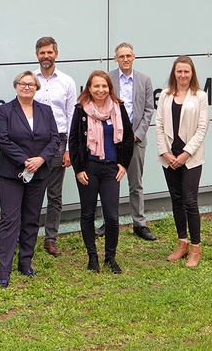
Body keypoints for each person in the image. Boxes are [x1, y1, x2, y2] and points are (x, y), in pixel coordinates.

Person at [0, 71, 60, 288]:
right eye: (23, 84)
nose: (27, 87)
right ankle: (4, 270)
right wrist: (25, 160)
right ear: (16, 86)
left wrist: (40, 159)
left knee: (31, 218)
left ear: (37, 88)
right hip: (10, 174)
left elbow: (54, 140)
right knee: (10, 220)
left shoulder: (46, 111)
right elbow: (2, 140)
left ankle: (25, 262)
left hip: (39, 173)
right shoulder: (4, 111)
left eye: (31, 84)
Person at [69, 71, 134, 274]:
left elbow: (128, 137)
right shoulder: (81, 110)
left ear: (109, 88)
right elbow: (74, 141)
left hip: (111, 169)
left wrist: (123, 164)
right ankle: (92, 258)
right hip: (89, 168)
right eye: (96, 86)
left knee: (112, 217)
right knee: (87, 214)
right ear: (89, 88)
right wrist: (78, 169)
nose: (100, 90)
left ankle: (110, 258)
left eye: (104, 86)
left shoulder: (118, 107)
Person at [95, 43, 157, 241]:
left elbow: (149, 110)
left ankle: (139, 224)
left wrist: (136, 134)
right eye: (121, 56)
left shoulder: (145, 80)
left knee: (135, 183)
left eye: (128, 55)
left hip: (136, 139)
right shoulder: (108, 79)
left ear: (134, 57)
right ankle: (109, 221)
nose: (125, 59)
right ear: (115, 59)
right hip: (112, 139)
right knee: (109, 183)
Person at [155, 55, 209, 268]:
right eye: (179, 71)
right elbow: (159, 125)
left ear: (192, 73)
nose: (183, 75)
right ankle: (182, 243)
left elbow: (202, 128)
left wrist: (186, 153)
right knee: (176, 200)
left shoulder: (200, 96)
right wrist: (165, 152)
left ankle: (195, 248)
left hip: (190, 157)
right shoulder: (166, 95)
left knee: (190, 201)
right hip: (169, 157)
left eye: (187, 71)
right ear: (174, 73)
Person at [33, 36, 77, 258]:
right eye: (42, 53)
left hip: (59, 141)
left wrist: (69, 149)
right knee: (32, 192)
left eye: (49, 52)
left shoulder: (67, 82)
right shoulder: (30, 80)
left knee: (55, 194)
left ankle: (50, 238)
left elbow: (71, 116)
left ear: (56, 54)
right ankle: (28, 236)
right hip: (35, 142)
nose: (46, 56)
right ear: (37, 55)